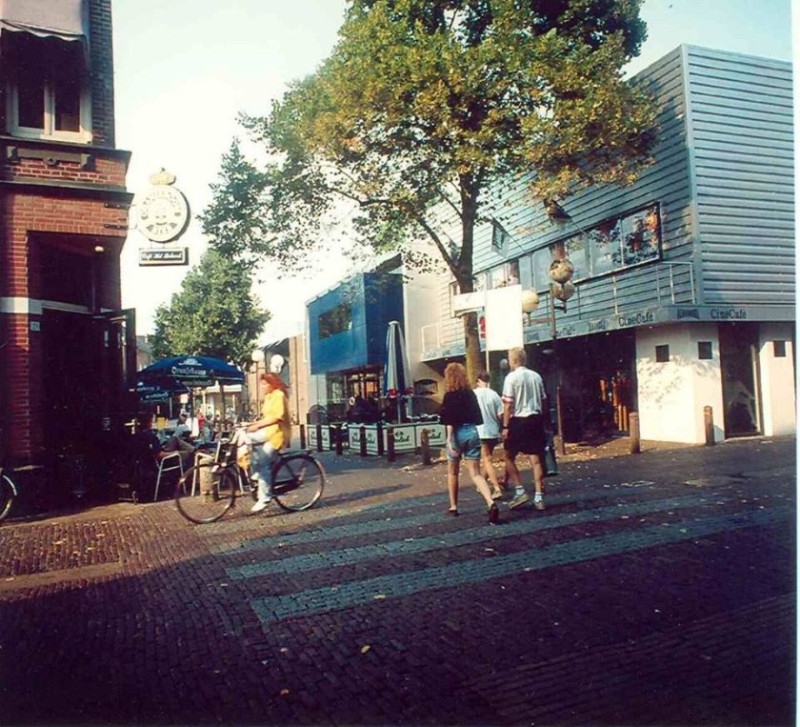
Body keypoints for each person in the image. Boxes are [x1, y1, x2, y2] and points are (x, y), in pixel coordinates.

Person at [439, 362, 499, 524]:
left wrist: (449, 441)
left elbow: (449, 422)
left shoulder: (449, 396)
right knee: (476, 473)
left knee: (453, 472)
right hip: (473, 432)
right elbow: (478, 418)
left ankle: (453, 506)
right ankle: (490, 502)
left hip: (457, 433)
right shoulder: (471, 394)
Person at [501, 347, 548, 511]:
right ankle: (539, 497)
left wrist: (505, 426)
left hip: (517, 421)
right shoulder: (536, 377)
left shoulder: (511, 378)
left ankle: (520, 489)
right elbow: (543, 401)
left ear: (513, 361)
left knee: (508, 456)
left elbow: (508, 404)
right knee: (535, 460)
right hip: (535, 419)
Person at [247, 372, 291, 513]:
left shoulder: (279, 395)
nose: (262, 387)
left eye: (265, 384)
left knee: (264, 463)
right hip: (267, 432)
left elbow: (277, 417)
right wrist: (250, 424)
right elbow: (266, 417)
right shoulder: (268, 396)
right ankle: (256, 472)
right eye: (261, 384)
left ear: (272, 383)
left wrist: (258, 426)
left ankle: (265, 499)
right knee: (246, 438)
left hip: (277, 434)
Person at [474, 371, 505, 500]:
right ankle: (482, 483)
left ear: (477, 381)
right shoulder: (494, 395)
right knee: (488, 458)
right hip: (493, 431)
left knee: (486, 459)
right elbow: (501, 415)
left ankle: (496, 487)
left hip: (480, 430)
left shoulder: (473, 394)